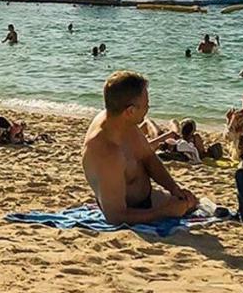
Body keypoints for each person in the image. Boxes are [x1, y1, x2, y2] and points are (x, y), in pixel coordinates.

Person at [82, 71, 198, 224]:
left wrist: (174, 188)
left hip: (148, 198)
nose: (148, 108)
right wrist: (165, 212)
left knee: (191, 203)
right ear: (130, 111)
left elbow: (148, 157)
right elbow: (115, 216)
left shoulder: (122, 121)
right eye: (145, 105)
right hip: (131, 210)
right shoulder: (107, 152)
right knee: (185, 208)